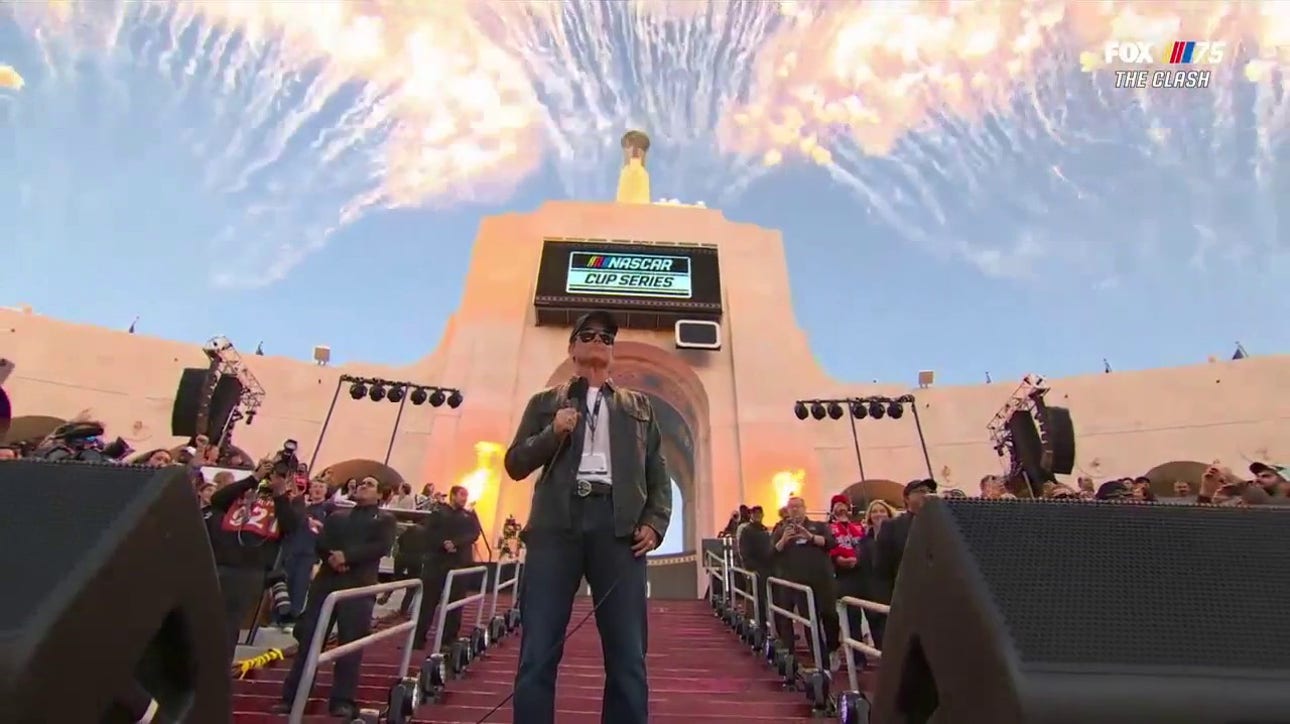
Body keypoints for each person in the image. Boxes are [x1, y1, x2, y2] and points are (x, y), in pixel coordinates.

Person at [503, 310, 671, 724]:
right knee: (539, 647)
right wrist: (552, 432)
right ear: (573, 347)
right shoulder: (544, 403)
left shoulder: (639, 406)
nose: (599, 341)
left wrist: (655, 521)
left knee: (628, 652)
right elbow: (515, 463)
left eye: (607, 338)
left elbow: (658, 473)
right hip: (555, 527)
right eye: (589, 334)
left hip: (618, 529)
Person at [273, 476, 397, 719]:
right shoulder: (338, 515)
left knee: (350, 645)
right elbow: (321, 541)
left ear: (381, 495)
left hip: (358, 586)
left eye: (370, 484)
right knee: (309, 641)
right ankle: (293, 696)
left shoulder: (385, 519)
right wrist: (332, 557)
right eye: (362, 483)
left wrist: (347, 557)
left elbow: (381, 546)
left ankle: (342, 700)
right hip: (326, 584)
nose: (363, 485)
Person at [207, 456, 302, 663]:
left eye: (280, 474)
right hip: (220, 563)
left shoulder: (290, 500)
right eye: (272, 472)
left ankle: (217, 671)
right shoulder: (245, 491)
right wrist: (254, 478)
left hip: (251, 570)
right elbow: (217, 500)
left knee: (228, 625)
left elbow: (292, 525)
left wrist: (280, 495)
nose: (274, 477)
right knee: (205, 621)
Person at [771, 495, 840, 669]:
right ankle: (819, 661)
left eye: (798, 506)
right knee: (810, 621)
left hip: (821, 580)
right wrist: (784, 540)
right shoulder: (781, 530)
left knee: (830, 615)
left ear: (804, 508)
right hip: (797, 583)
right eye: (791, 507)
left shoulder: (819, 526)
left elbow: (831, 543)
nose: (794, 510)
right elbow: (771, 553)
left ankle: (833, 648)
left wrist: (810, 537)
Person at [412, 484, 481, 645]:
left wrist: (456, 543)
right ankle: (418, 638)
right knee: (428, 601)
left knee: (456, 603)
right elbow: (428, 531)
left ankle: (449, 638)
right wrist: (443, 543)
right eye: (462, 495)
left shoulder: (468, 516)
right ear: (453, 495)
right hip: (437, 562)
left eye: (466, 495)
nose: (464, 499)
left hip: (459, 564)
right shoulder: (439, 512)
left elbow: (474, 533)